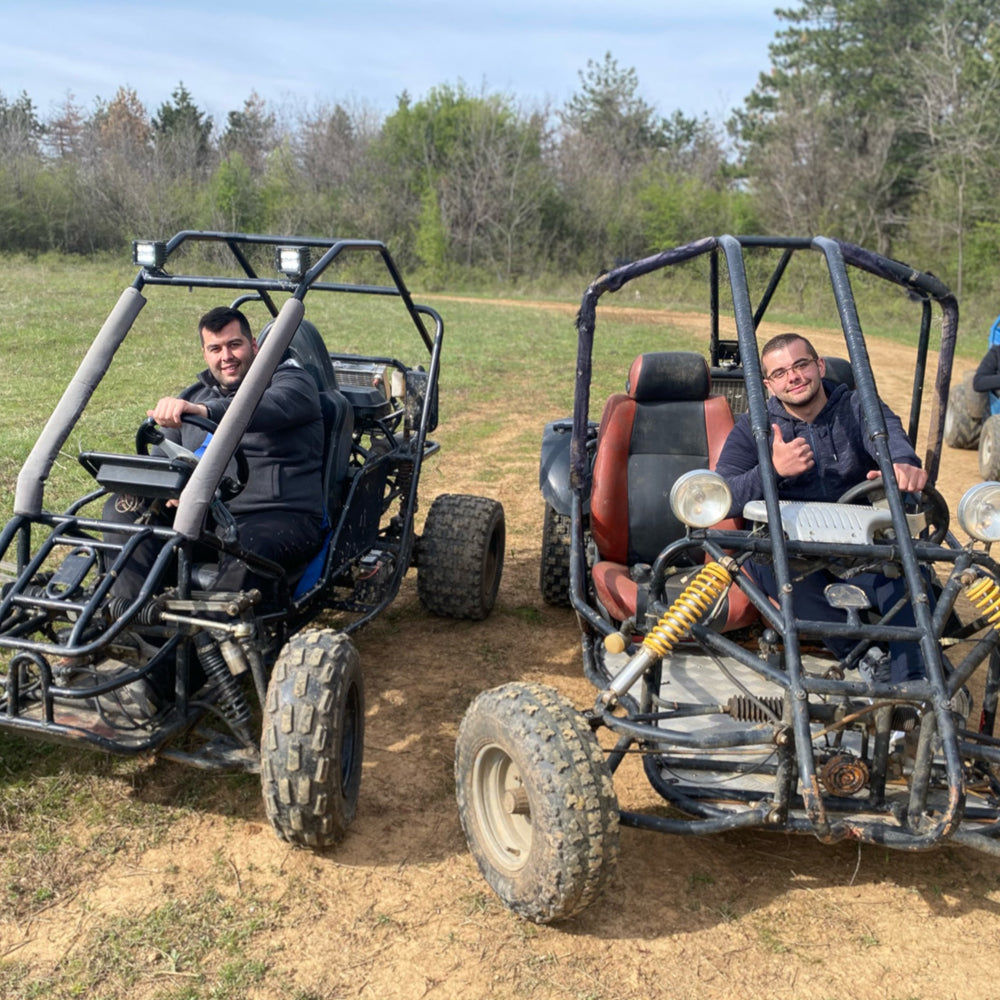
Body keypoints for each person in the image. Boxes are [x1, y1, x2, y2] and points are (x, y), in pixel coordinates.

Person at [715, 332, 929, 683]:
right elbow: (721, 496)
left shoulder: (859, 407)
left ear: (819, 365)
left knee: (912, 581)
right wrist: (773, 471)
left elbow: (890, 440)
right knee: (766, 562)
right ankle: (865, 657)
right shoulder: (754, 428)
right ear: (769, 385)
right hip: (794, 553)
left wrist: (900, 464)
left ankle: (913, 681)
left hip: (863, 549)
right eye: (781, 373)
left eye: (801, 365)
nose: (794, 377)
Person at [106, 305, 326, 601]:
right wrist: (168, 485)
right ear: (205, 353)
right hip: (204, 515)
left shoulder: (293, 383)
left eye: (234, 345)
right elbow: (162, 458)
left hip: (275, 516)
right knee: (124, 505)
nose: (226, 357)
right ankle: (131, 620)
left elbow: (261, 408)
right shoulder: (194, 394)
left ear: (254, 346)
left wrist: (205, 412)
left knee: (246, 546)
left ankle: (215, 639)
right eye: (215, 348)